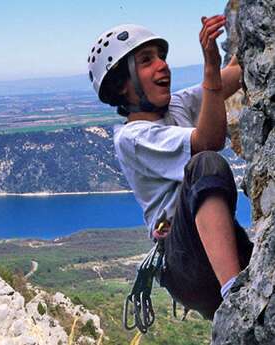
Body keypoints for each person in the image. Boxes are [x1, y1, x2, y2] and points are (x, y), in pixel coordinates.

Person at [87, 15, 253, 319]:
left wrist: (249, 42)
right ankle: (235, 298)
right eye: (146, 61)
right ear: (122, 85)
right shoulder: (133, 138)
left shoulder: (175, 105)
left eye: (161, 57)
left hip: (208, 252)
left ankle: (237, 287)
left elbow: (234, 77)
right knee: (205, 165)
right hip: (185, 266)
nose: (162, 65)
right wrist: (210, 66)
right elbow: (208, 141)